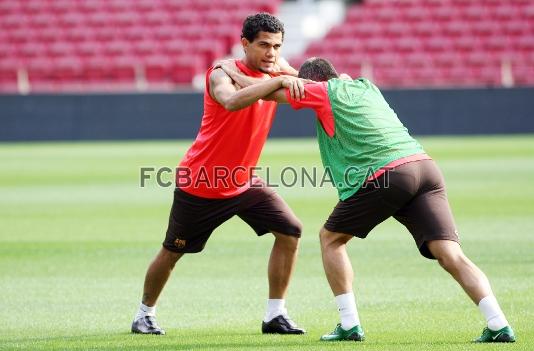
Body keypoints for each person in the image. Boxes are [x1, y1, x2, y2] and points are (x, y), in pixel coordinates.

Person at [217, 57, 516, 343]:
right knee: (451, 255)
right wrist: (288, 74)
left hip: (388, 175)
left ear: (311, 83)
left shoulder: (322, 92)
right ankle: (498, 323)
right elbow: (322, 80)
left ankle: (349, 324)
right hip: (425, 168)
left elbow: (272, 95)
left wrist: (240, 74)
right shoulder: (364, 85)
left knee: (331, 238)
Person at [131, 13, 310, 336]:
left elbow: (309, 88)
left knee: (290, 231)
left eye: (277, 47)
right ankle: (144, 314)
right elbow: (230, 102)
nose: (271, 53)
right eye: (264, 45)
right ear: (245, 44)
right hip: (202, 183)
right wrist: (279, 80)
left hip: (244, 181)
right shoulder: (220, 74)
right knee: (173, 251)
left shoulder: (277, 70)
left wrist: (295, 78)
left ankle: (275, 315)